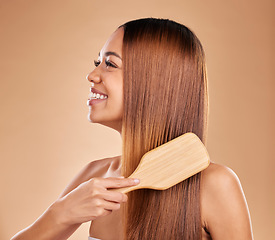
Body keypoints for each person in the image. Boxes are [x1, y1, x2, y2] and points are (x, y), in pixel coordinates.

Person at [11, 18, 253, 240]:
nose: (92, 75)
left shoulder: (215, 185)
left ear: (155, 82)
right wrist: (61, 214)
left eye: (110, 64)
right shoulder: (93, 176)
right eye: (98, 62)